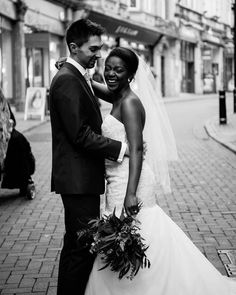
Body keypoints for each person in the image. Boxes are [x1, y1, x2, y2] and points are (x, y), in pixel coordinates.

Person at [84, 47, 236, 294]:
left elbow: (137, 151)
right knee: (121, 239)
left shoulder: (130, 103)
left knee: (138, 235)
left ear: (131, 75)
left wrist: (131, 193)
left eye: (118, 70)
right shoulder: (119, 97)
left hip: (128, 182)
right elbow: (102, 89)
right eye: (108, 67)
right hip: (117, 180)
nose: (110, 74)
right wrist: (83, 75)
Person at [49, 19, 128, 295]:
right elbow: (80, 134)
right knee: (80, 249)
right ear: (74, 47)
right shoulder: (67, 80)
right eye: (93, 49)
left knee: (77, 245)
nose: (98, 54)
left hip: (82, 179)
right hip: (77, 180)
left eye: (100, 48)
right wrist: (119, 148)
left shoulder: (76, 74)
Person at [1, 103, 36, 200]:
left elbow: (11, 120)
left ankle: (23, 180)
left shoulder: (2, 101)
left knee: (18, 141)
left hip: (5, 133)